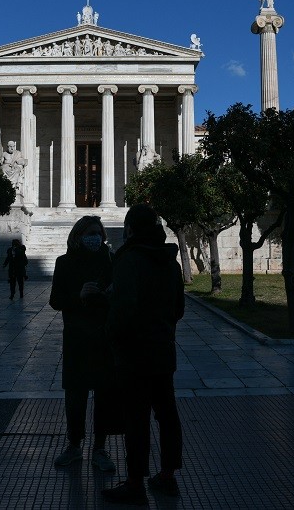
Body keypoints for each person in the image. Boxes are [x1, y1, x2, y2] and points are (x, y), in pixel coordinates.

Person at [102, 204, 185, 505]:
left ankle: (135, 481)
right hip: (163, 352)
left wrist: (110, 336)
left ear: (131, 230)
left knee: (136, 419)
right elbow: (179, 309)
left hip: (135, 355)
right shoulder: (171, 264)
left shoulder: (129, 261)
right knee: (167, 415)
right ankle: (168, 476)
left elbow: (123, 310)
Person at [49, 216, 121, 472]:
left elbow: (122, 297)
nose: (95, 238)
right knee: (75, 396)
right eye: (90, 233)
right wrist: (79, 296)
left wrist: (112, 292)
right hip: (77, 338)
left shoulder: (112, 261)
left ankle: (100, 448)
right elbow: (55, 300)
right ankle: (74, 445)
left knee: (104, 396)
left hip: (104, 337)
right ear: (79, 235)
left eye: (98, 233)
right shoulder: (64, 263)